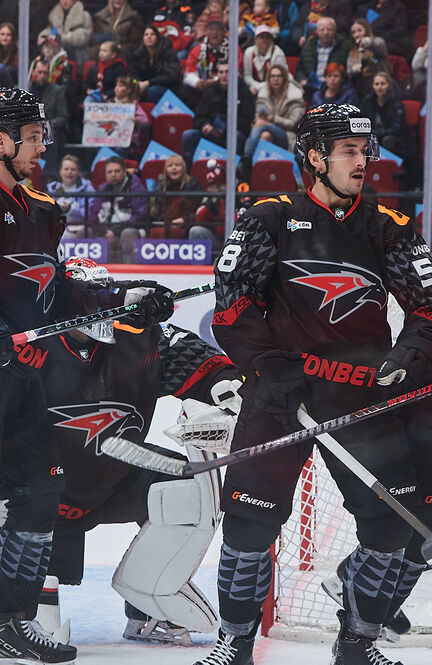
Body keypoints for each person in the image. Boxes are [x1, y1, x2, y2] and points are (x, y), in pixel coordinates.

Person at [194, 103, 432, 665]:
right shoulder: (268, 218)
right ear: (315, 157)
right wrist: (266, 365)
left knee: (389, 526)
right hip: (280, 395)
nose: (363, 161)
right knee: (249, 521)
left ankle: (357, 645)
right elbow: (231, 301)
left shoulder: (388, 225)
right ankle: (233, 644)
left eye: (366, 150)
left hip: (362, 397)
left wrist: (410, 355)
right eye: (349, 151)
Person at [0, 87, 170, 665]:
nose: (42, 146)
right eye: (33, 136)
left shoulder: (39, 208)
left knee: (39, 490)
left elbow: (59, 290)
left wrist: (121, 297)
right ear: (1, 140)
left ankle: (11, 618)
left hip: (19, 381)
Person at [35, 258, 242, 648]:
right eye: (86, 297)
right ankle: (18, 613)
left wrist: (226, 384)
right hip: (33, 494)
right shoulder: (30, 347)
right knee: (39, 630)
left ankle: (147, 606)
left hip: (111, 480)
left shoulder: (140, 340)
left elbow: (196, 358)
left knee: (186, 487)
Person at [181, 61, 253, 165]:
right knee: (189, 135)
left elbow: (246, 120)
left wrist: (225, 130)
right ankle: (188, 172)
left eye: (227, 72)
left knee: (237, 137)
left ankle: (235, 172)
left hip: (233, 133)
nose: (224, 76)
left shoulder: (244, 91)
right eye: (221, 72)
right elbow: (199, 114)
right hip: (211, 132)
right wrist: (204, 125)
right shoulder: (211, 89)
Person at [91, 156, 149, 263]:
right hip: (108, 228)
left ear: (124, 172)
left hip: (132, 228)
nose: (113, 174)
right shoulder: (102, 189)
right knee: (87, 232)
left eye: (117, 171)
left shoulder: (136, 188)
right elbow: (94, 214)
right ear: (106, 174)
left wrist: (115, 230)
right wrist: (102, 231)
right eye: (110, 172)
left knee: (127, 234)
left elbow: (140, 215)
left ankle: (130, 272)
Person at [244, 64, 305, 157]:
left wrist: (273, 120)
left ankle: (247, 158)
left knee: (263, 125)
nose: (276, 79)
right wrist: (259, 119)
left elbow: (292, 124)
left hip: (287, 135)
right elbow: (255, 121)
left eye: (279, 76)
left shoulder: (294, 97)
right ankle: (261, 167)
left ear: (284, 78)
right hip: (265, 131)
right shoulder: (263, 96)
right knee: (265, 135)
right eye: (273, 76)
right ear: (269, 79)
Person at [151, 155, 212, 242]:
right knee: (154, 231)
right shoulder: (161, 188)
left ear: (183, 168)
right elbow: (157, 213)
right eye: (170, 166)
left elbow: (201, 211)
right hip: (165, 225)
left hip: (186, 226)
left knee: (169, 232)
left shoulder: (194, 186)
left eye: (177, 165)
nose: (174, 168)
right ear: (166, 170)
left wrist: (184, 219)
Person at [28, 58, 68, 179]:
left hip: (47, 127)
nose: (43, 76)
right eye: (40, 72)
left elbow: (63, 117)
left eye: (45, 73)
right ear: (33, 72)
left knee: (49, 134)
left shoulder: (57, 90)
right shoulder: (24, 88)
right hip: (26, 127)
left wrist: (45, 124)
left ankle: (49, 175)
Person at [359, 71, 412, 162]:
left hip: (395, 138)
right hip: (376, 134)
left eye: (383, 84)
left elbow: (397, 129)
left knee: (386, 140)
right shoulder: (368, 101)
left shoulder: (396, 103)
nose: (379, 87)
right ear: (373, 86)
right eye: (377, 84)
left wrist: (375, 133)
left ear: (389, 85)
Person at [295, 17, 349, 92]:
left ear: (335, 31)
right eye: (322, 30)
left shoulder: (344, 47)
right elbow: (300, 69)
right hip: (311, 87)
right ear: (317, 31)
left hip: (336, 87)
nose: (326, 32)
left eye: (329, 29)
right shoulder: (308, 46)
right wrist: (302, 80)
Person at [130, 26, 182, 103]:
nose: (149, 37)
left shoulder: (168, 53)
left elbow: (171, 76)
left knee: (152, 91)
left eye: (152, 34)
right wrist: (136, 83)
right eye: (146, 34)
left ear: (158, 38)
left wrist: (148, 82)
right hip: (144, 86)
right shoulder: (137, 55)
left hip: (167, 88)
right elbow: (132, 76)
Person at [47, 154, 94, 238]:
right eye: (66, 169)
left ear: (78, 172)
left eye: (73, 169)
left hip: (79, 229)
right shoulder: (52, 188)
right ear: (60, 172)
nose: (69, 172)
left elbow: (89, 215)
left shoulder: (87, 188)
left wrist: (70, 209)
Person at [109, 76, 151, 163]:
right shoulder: (109, 103)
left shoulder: (133, 105)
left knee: (119, 148)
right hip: (110, 137)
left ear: (128, 90)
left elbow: (145, 121)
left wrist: (137, 120)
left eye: (120, 86)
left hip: (128, 139)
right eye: (116, 85)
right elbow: (99, 118)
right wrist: (90, 122)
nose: (117, 88)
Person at [345, 18, 390, 93]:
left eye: (360, 31)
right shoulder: (353, 52)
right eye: (354, 32)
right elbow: (349, 70)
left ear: (367, 30)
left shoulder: (376, 43)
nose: (357, 34)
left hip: (380, 85)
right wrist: (356, 68)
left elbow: (380, 44)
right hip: (361, 87)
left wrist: (366, 41)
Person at [243, 24, 288, 97]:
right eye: (262, 37)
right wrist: (256, 86)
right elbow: (247, 76)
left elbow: (282, 76)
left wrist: (262, 87)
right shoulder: (249, 53)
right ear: (255, 40)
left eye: (268, 38)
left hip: (275, 88)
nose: (265, 40)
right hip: (254, 88)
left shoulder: (278, 53)